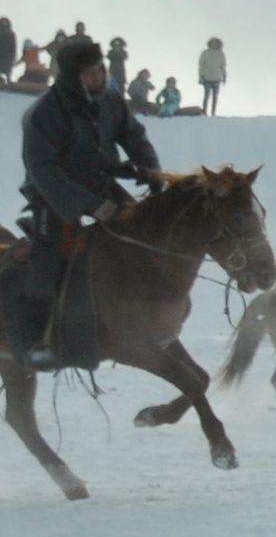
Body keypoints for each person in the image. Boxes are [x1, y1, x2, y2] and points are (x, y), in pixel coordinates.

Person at [16, 39, 162, 366]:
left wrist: (150, 166)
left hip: (101, 184)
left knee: (142, 232)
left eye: (100, 70)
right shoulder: (43, 114)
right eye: (90, 73)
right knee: (48, 257)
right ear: (71, 77)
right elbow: (43, 170)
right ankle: (37, 339)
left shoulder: (110, 100)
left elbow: (133, 135)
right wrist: (90, 205)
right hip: (53, 195)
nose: (98, 78)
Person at [198, 36, 227, 115]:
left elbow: (223, 66)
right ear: (209, 44)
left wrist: (224, 76)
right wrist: (201, 76)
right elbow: (201, 65)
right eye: (212, 43)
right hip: (206, 78)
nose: (214, 44)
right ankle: (204, 112)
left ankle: (213, 112)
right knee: (206, 96)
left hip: (217, 79)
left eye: (215, 43)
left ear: (218, 44)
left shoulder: (221, 54)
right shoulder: (205, 53)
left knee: (215, 96)